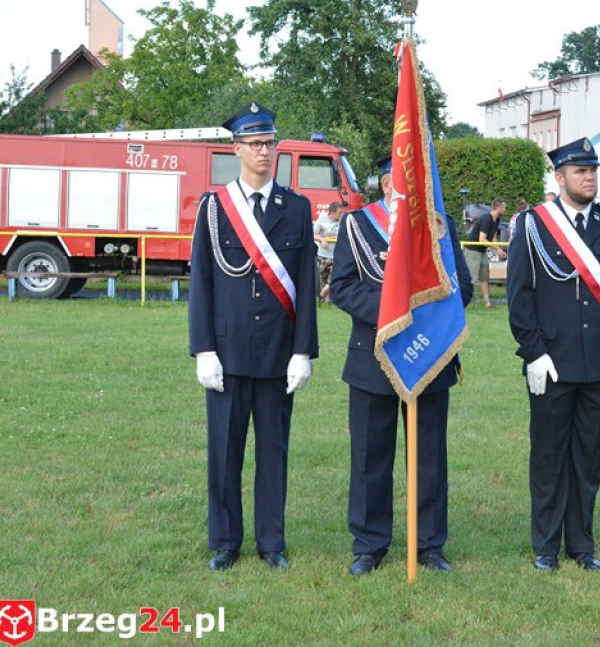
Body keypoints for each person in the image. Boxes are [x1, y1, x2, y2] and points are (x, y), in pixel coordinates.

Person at [188, 102, 319, 571]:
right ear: (237, 149)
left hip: (277, 353)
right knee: (224, 453)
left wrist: (303, 351)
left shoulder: (297, 208)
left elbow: (306, 286)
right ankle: (225, 541)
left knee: (273, 453)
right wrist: (203, 349)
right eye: (256, 144)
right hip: (226, 350)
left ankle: (271, 542)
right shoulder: (214, 209)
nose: (266, 151)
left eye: (271, 143)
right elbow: (201, 282)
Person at [329, 154, 473, 577]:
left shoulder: (440, 229)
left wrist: (424, 320)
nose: (403, 187)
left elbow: (461, 286)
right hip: (373, 356)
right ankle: (369, 545)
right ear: (386, 181)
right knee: (370, 457)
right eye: (396, 179)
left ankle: (429, 545)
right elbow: (342, 288)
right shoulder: (357, 225)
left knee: (428, 457)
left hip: (430, 355)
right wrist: (395, 312)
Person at [507, 137, 600, 572]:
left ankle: (581, 544)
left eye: (593, 170)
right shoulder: (532, 225)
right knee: (548, 456)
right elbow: (520, 296)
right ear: (559, 177)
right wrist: (533, 352)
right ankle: (545, 544)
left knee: (587, 459)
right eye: (581, 171)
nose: (590, 177)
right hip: (552, 363)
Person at [465, 198, 506, 308]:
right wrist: (497, 249)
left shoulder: (496, 220)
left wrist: (499, 250)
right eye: (504, 207)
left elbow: (492, 237)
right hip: (473, 251)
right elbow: (482, 239)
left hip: (482, 251)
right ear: (498, 208)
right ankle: (465, 303)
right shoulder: (487, 219)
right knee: (471, 279)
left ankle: (488, 303)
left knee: (485, 278)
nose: (505, 209)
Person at [313, 202, 342, 302]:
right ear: (332, 212)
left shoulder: (341, 221)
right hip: (323, 255)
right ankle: (325, 299)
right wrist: (322, 240)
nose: (340, 215)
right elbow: (313, 234)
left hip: (336, 255)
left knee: (333, 277)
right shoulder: (322, 220)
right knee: (323, 277)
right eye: (339, 213)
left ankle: (331, 298)